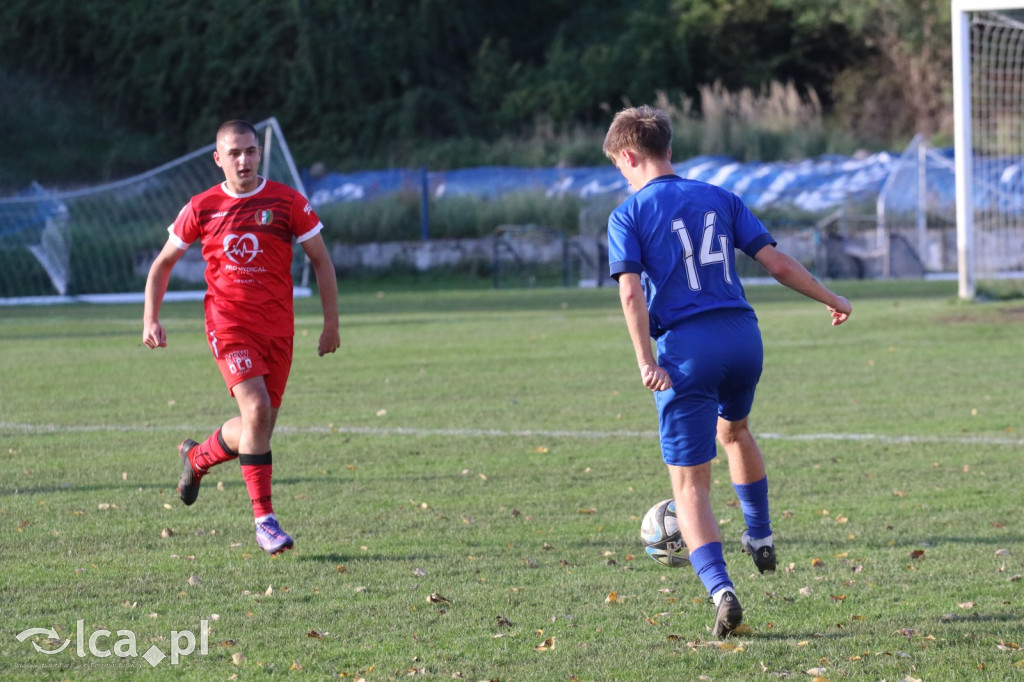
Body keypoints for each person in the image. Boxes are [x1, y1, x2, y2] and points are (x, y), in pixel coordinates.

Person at [603, 106, 851, 636]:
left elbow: (629, 292)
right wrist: (830, 297)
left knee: (690, 487)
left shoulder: (628, 214)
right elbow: (777, 264)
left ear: (629, 156)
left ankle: (721, 590)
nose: (622, 177)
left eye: (620, 168)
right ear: (667, 147)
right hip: (744, 338)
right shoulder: (721, 197)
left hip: (688, 352)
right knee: (735, 430)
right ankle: (758, 536)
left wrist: (647, 360)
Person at [142, 120, 340, 556]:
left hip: (277, 330)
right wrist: (150, 318)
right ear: (218, 158)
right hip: (228, 324)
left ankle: (197, 459)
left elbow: (322, 263)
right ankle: (264, 521)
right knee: (255, 408)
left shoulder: (288, 202)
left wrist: (331, 325)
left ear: (259, 154)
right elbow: (162, 264)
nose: (244, 160)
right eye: (234, 153)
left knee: (259, 425)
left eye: (250, 151)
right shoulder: (202, 207)